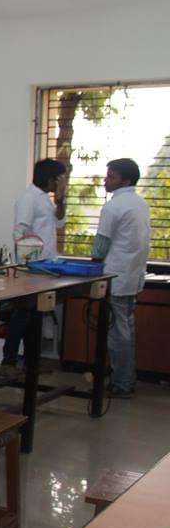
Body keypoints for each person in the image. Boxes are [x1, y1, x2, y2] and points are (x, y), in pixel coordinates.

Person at [0, 158, 68, 377]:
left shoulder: (45, 200)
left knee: (36, 315)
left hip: (46, 267)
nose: (64, 183)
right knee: (22, 314)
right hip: (32, 267)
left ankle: (32, 362)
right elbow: (20, 232)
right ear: (51, 179)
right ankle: (8, 362)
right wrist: (26, 265)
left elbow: (59, 223)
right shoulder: (28, 199)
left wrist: (61, 199)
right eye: (61, 179)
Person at [91, 158, 151, 398]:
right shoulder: (140, 203)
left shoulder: (113, 206)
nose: (106, 180)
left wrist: (91, 268)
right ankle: (126, 379)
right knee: (126, 328)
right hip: (132, 275)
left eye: (112, 176)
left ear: (125, 180)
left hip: (116, 275)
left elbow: (101, 245)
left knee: (118, 333)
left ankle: (121, 384)